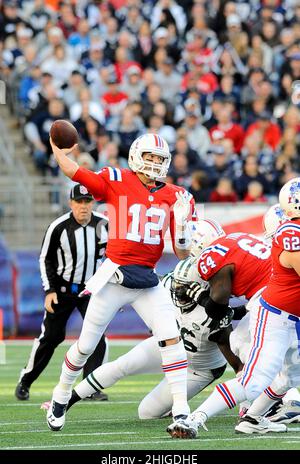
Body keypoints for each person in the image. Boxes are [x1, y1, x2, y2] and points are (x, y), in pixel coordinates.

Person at [46, 133, 195, 432]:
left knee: (170, 337)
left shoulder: (178, 196)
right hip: (115, 276)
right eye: (150, 157)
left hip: (147, 280)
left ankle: (181, 411)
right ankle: (60, 394)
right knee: (86, 346)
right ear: (137, 156)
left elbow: (182, 252)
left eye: (160, 159)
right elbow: (76, 172)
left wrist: (180, 225)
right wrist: (58, 151)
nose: (155, 163)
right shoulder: (117, 179)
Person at [167, 186, 300, 438]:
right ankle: (194, 419)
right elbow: (219, 300)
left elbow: (221, 304)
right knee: (253, 378)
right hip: (276, 314)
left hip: (284, 311)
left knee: (288, 377)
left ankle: (253, 418)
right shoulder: (290, 232)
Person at [15, 184, 109, 402]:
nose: (83, 207)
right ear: (71, 203)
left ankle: (90, 387)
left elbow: (112, 259)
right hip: (63, 289)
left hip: (91, 290)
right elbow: (44, 259)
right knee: (51, 337)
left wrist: (112, 290)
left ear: (92, 203)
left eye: (87, 202)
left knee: (97, 337)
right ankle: (25, 381)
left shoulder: (103, 225)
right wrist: (49, 291)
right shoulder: (58, 226)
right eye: (79, 202)